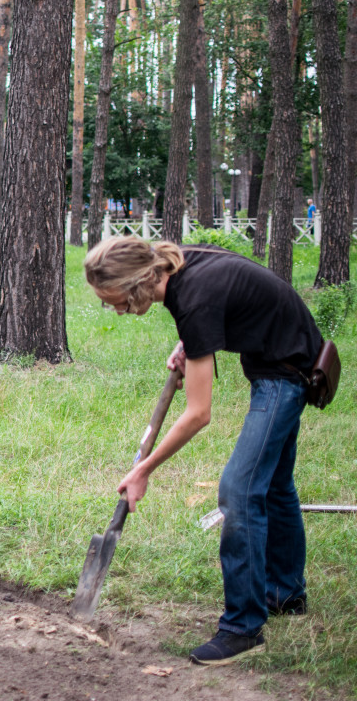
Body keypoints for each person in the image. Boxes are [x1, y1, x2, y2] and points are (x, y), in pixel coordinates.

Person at [84, 236, 322, 666]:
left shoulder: (192, 297)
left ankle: (242, 627)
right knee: (274, 485)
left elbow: (198, 413)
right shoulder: (177, 266)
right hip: (281, 354)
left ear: (138, 282)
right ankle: (285, 594)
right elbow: (226, 305)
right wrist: (191, 345)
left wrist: (144, 470)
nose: (113, 309)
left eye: (113, 299)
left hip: (288, 373)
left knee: (239, 490)